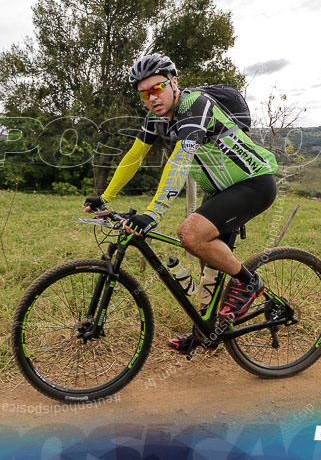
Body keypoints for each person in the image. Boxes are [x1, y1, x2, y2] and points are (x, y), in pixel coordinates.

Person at [83, 53, 278, 355]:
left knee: (190, 234)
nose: (152, 98)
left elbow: (180, 161)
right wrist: (105, 197)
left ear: (174, 82)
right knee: (208, 267)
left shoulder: (196, 105)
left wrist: (153, 213)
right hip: (220, 191)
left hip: (253, 183)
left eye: (157, 88)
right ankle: (206, 331)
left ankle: (249, 283)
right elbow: (134, 157)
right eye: (144, 93)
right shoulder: (155, 118)